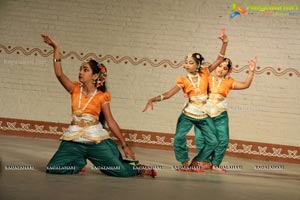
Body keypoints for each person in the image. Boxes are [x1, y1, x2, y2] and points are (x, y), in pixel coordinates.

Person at [41, 34, 156, 178]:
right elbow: (59, 74)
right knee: (53, 168)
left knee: (120, 171)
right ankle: (78, 162)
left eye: (85, 70)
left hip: (95, 141)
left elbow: (110, 121)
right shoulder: (74, 88)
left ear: (95, 76)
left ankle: (137, 167)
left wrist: (125, 145)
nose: (80, 72)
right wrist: (56, 48)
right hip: (73, 141)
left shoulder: (102, 96)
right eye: (80, 69)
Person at [142, 29, 228, 172]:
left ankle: (197, 161)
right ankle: (184, 163)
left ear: (198, 65)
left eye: (190, 63)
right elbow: (169, 94)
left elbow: (219, 59)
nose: (186, 65)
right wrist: (153, 99)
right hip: (188, 113)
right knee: (179, 138)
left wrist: (225, 42)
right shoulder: (183, 80)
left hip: (203, 113)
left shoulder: (206, 72)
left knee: (214, 141)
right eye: (186, 62)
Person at [195, 57, 257, 172]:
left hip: (220, 115)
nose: (221, 69)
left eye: (224, 68)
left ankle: (215, 164)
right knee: (200, 138)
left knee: (223, 139)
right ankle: (204, 162)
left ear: (229, 71)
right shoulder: (206, 78)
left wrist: (251, 72)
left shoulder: (229, 82)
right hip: (203, 114)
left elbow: (245, 85)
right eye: (219, 66)